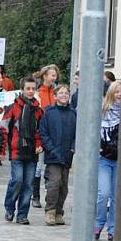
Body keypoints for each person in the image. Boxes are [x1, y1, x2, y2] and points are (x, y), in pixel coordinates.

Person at [95, 81, 121, 241]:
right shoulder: (103, 111)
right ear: (112, 93)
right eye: (117, 91)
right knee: (103, 194)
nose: (119, 94)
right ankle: (98, 224)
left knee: (116, 197)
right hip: (104, 159)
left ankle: (113, 229)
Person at [0, 76, 44, 225]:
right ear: (22, 90)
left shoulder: (38, 110)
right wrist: (1, 149)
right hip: (16, 150)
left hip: (32, 152)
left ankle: (22, 214)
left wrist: (39, 144)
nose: (31, 91)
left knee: (28, 184)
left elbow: (39, 131)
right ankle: (9, 207)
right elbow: (4, 128)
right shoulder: (13, 108)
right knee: (17, 180)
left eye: (33, 89)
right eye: (28, 89)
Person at [39, 84, 76, 226]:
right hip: (53, 155)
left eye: (66, 93)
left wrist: (73, 148)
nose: (64, 95)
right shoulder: (49, 113)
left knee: (63, 185)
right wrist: (51, 149)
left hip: (67, 155)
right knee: (53, 183)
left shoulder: (73, 114)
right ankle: (50, 211)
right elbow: (44, 133)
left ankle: (59, 211)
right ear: (55, 96)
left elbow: (76, 134)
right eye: (61, 93)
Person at [32, 64, 59, 208]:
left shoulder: (57, 93)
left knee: (52, 166)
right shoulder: (38, 94)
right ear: (45, 76)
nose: (54, 78)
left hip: (55, 135)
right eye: (52, 75)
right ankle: (35, 195)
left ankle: (50, 194)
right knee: (38, 166)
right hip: (41, 134)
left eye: (55, 75)